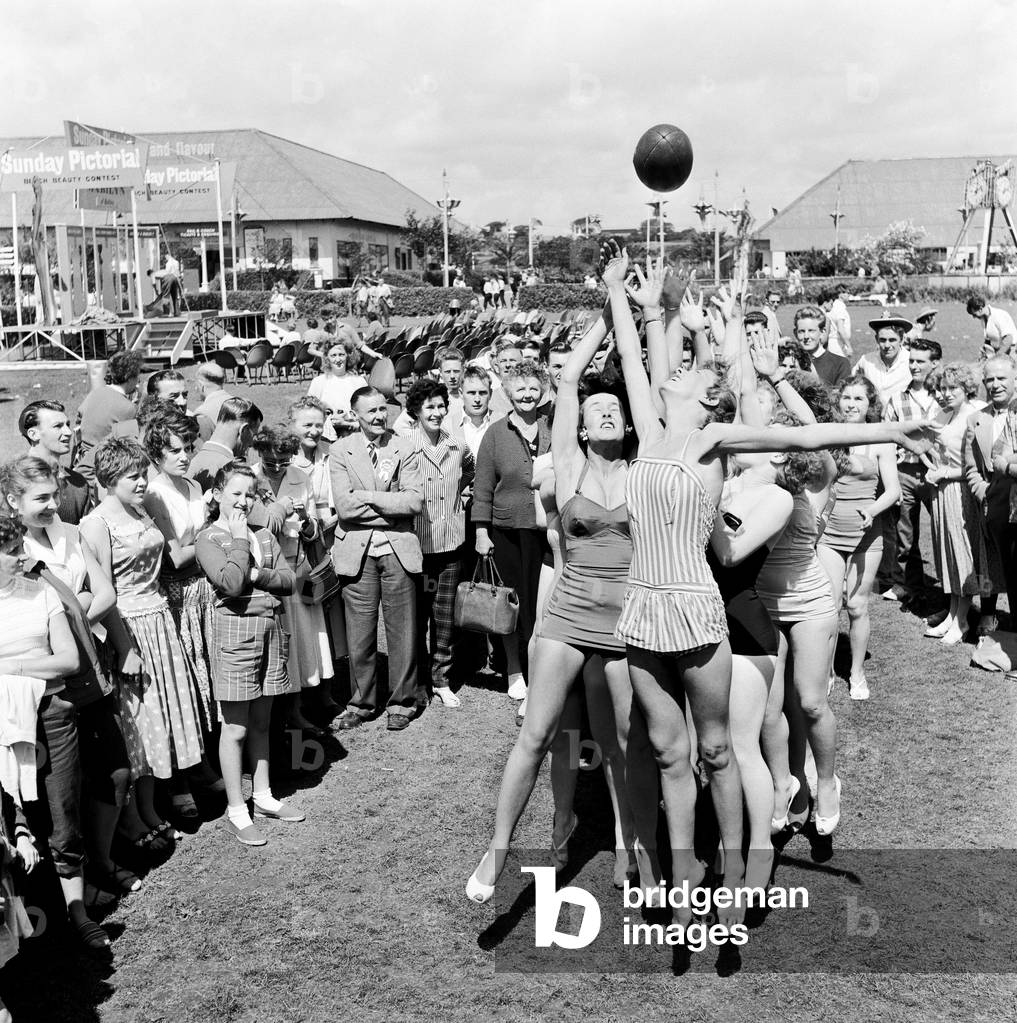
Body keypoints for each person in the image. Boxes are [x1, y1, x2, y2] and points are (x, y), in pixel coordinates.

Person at [467, 305, 658, 903]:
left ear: (628, 426)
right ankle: (497, 851)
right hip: (568, 615)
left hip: (625, 623)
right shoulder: (569, 467)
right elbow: (571, 378)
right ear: (575, 426)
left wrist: (631, 313)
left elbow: (635, 371)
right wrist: (606, 306)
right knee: (538, 733)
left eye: (615, 410)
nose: (605, 412)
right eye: (595, 410)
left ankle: (635, 849)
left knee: (623, 745)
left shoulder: (644, 465)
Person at [5, 457, 135, 900]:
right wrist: (74, 609)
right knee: (58, 793)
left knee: (116, 772)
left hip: (87, 671)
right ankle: (65, 892)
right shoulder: (11, 552)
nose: (52, 505)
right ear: (12, 501)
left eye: (55, 494)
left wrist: (71, 614)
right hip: (44, 688)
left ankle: (101, 860)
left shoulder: (72, 533)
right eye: (40, 498)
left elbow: (106, 593)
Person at [79, 438, 205, 853]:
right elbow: (105, 592)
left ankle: (152, 808)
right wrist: (126, 648)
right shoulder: (96, 524)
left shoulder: (141, 508)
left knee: (157, 722)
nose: (142, 482)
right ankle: (133, 819)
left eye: (143, 473)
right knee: (135, 727)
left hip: (159, 621)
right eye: (133, 476)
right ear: (110, 479)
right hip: (127, 629)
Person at [0, 511, 112, 953]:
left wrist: (12, 668)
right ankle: (22, 921)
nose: (20, 557)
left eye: (17, 546)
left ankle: (77, 912)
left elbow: (68, 660)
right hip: (5, 722)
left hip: (51, 712)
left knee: (63, 809)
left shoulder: (40, 593)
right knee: (14, 819)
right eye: (10, 551)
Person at [196, 461, 304, 847]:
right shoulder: (209, 539)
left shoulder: (266, 535)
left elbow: (290, 581)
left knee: (262, 722)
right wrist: (241, 542)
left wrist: (258, 576)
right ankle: (237, 809)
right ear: (217, 495)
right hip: (236, 637)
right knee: (236, 727)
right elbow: (228, 582)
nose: (242, 502)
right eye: (235, 494)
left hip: (271, 632)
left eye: (249, 495)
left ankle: (264, 796)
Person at [330, 387, 424, 732]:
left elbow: (414, 502)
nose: (378, 417)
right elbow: (344, 507)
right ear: (355, 414)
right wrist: (389, 504)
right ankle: (361, 702)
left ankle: (403, 701)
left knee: (402, 631)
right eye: (370, 411)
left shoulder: (405, 446)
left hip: (399, 550)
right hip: (357, 552)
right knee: (360, 633)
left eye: (382, 409)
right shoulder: (340, 450)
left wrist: (366, 498)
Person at [141, 408, 222, 808]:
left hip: (204, 589)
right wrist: (210, 541)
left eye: (188, 447)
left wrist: (204, 543)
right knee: (185, 680)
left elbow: (197, 543)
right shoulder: (155, 492)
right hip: (174, 596)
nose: (184, 455)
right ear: (156, 453)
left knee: (208, 671)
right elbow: (173, 557)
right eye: (174, 450)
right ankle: (183, 777)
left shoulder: (191, 485)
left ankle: (205, 762)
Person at [472, 361, 552, 703]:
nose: (527, 395)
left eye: (533, 388)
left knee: (543, 605)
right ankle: (515, 670)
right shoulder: (495, 432)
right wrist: (481, 531)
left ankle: (542, 672)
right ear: (507, 392)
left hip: (547, 530)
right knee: (511, 602)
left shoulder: (553, 426)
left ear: (543, 390)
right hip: (506, 530)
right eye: (520, 389)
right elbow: (483, 487)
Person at [817, 376, 900, 698]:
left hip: (867, 531)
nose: (851, 405)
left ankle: (856, 673)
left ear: (870, 405)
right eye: (847, 398)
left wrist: (872, 510)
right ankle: (824, 670)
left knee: (857, 605)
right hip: (829, 530)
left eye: (859, 400)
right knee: (829, 604)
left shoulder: (881, 440)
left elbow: (892, 490)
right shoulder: (828, 436)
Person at [251, 424, 333, 728]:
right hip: (266, 569)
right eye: (270, 462)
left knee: (299, 639)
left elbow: (314, 531)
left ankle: (297, 710)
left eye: (283, 462)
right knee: (275, 643)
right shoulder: (249, 478)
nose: (276, 468)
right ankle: (274, 715)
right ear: (259, 452)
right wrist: (281, 509)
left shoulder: (300, 477)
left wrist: (305, 522)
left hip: (297, 565)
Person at [403, 379, 474, 709]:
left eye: (441, 405)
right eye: (429, 406)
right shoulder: (404, 444)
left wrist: (463, 495)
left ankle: (441, 679)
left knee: (444, 617)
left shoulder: (457, 445)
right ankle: (417, 680)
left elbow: (471, 473)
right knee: (416, 616)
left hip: (450, 544)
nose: (436, 412)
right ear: (416, 410)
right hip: (418, 547)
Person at [924, 364, 987, 644]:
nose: (946, 393)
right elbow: (928, 446)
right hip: (942, 491)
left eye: (953, 388)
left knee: (963, 554)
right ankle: (952, 614)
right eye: (943, 388)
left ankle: (962, 621)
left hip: (962, 492)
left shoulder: (975, 416)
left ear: (966, 389)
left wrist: (944, 473)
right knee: (946, 552)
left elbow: (978, 466)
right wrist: (931, 468)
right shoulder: (943, 414)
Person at [877, 339, 942, 604]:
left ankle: (950, 593)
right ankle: (912, 588)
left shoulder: (944, 395)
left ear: (935, 363)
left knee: (943, 533)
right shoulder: (896, 399)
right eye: (911, 361)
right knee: (906, 535)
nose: (914, 366)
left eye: (920, 361)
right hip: (905, 472)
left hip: (937, 473)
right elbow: (886, 439)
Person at [963, 357, 1017, 632]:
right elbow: (971, 468)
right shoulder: (976, 419)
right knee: (989, 563)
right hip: (993, 506)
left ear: (1015, 379)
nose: (995, 385)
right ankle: (988, 611)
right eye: (990, 380)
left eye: (1002, 379)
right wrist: (985, 492)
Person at [73, 350, 143, 483]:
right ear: (130, 378)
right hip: (103, 465)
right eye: (137, 377)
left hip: (82, 459)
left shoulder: (95, 393)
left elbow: (79, 419)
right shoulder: (128, 408)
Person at [19, 400, 93, 524]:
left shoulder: (78, 482)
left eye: (67, 425)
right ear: (33, 434)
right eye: (57, 426)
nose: (69, 432)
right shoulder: (13, 479)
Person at [188, 396, 262, 494]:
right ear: (244, 430)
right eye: (254, 435)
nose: (251, 444)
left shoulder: (189, 460)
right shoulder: (230, 470)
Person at [308, 338, 369, 440]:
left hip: (354, 435)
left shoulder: (359, 381)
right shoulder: (318, 382)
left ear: (348, 356)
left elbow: (367, 414)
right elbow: (309, 412)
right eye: (333, 355)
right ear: (327, 358)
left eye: (341, 354)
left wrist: (345, 423)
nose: (338, 359)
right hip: (325, 437)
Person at [853, 316, 913, 406]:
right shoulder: (866, 360)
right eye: (882, 340)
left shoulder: (911, 361)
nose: (887, 345)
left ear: (902, 339)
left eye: (892, 340)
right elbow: (852, 384)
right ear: (876, 339)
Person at [792, 306, 850, 387]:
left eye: (811, 331)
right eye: (801, 331)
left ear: (822, 332)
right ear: (795, 333)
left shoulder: (840, 364)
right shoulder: (790, 362)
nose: (806, 336)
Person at [193, 363, 233, 441]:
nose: (195, 388)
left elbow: (202, 449)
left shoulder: (202, 412)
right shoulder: (238, 403)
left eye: (196, 385)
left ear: (201, 386)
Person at [820, 286, 852, 358]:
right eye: (848, 293)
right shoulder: (840, 308)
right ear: (840, 294)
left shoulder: (834, 305)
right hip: (837, 343)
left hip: (834, 342)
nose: (849, 295)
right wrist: (849, 346)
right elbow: (840, 329)